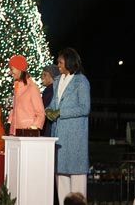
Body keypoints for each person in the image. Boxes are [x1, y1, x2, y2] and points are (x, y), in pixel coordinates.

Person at [47, 47, 91, 202]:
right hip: (58, 136)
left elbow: (85, 108)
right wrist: (49, 110)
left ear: (69, 62)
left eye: (60, 62)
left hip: (74, 137)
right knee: (60, 177)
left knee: (77, 177)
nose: (58, 65)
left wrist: (61, 112)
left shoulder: (81, 81)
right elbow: (54, 103)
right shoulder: (57, 80)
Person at [7, 55, 45, 135]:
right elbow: (15, 109)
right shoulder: (17, 87)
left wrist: (33, 128)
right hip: (15, 133)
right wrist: (10, 123)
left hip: (27, 134)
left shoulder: (32, 88)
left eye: (12, 69)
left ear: (19, 68)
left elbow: (40, 113)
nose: (10, 72)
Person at [41, 65, 60, 136]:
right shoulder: (55, 89)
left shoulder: (49, 90)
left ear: (53, 76)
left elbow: (44, 108)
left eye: (45, 75)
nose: (42, 77)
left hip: (49, 126)